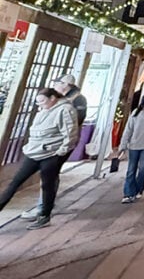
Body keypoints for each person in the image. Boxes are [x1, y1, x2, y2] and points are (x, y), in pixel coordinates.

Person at [0, 88, 79, 229]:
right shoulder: (43, 110)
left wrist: (62, 151)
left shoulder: (65, 109)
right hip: (34, 153)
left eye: (42, 101)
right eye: (38, 102)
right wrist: (29, 147)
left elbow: (70, 133)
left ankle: (44, 216)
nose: (39, 104)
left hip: (51, 154)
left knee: (47, 185)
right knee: (15, 182)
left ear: (53, 98)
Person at [20, 72, 88, 221]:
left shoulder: (77, 99)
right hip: (51, 142)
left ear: (65, 84)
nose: (55, 85)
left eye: (57, 82)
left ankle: (42, 208)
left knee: (49, 173)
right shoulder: (62, 99)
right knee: (50, 174)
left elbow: (75, 122)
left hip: (59, 143)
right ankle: (45, 206)